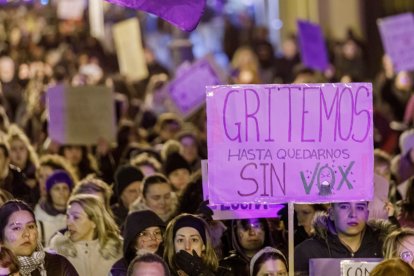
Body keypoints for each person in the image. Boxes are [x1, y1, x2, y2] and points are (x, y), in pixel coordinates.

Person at [294, 201, 395, 275]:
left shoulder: (386, 248)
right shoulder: (306, 252)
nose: (353, 214)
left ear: (367, 214)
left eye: (360, 207)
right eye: (344, 206)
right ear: (331, 213)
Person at [49, 194, 122, 276]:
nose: (69, 223)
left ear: (94, 222)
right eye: (68, 217)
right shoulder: (59, 251)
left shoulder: (117, 250)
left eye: (76, 217)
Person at [0, 199, 78, 275]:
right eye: (16, 228)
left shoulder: (59, 264)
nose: (26, 234)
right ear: (1, 235)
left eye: (30, 226)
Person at [164, 213, 229, 276]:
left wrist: (201, 272)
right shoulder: (159, 271)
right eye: (180, 240)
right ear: (173, 245)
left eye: (194, 240)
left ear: (204, 245)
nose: (187, 247)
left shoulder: (223, 273)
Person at [110, 210, 165, 276]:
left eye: (157, 233)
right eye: (144, 234)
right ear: (133, 241)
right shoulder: (120, 270)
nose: (153, 238)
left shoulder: (172, 262)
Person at [34, 170, 73, 246]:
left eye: (65, 188)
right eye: (57, 188)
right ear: (49, 193)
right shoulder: (38, 220)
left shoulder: (76, 217)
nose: (61, 192)